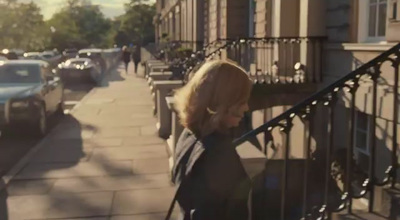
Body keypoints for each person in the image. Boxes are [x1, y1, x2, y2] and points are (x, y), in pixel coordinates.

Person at [171, 60, 253, 220]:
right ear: (224, 102)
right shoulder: (218, 153)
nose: (247, 107)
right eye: (242, 101)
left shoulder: (190, 134)